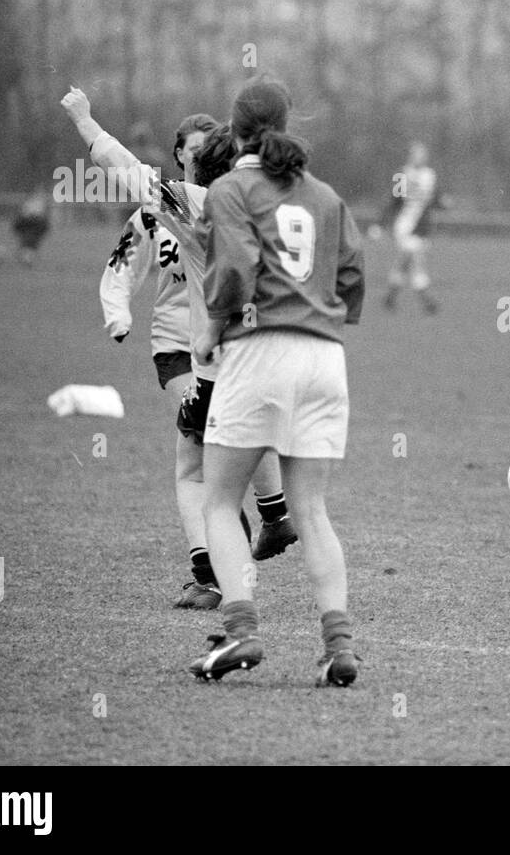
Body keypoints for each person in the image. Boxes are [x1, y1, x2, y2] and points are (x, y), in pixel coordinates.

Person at [62, 89, 296, 612]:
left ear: (196, 164)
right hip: (273, 357)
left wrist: (85, 119)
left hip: (216, 360)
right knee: (240, 447)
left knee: (193, 471)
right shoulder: (268, 203)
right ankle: (276, 514)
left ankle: (209, 579)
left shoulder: (187, 204)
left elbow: (122, 166)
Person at [190, 76, 365, 686]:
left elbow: (236, 266)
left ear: (232, 130)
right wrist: (321, 315)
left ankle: (240, 635)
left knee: (217, 500)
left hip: (259, 351)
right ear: (287, 125)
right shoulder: (324, 195)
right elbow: (353, 276)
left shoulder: (231, 187)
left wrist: (213, 327)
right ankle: (338, 647)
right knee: (311, 507)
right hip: (325, 358)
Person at [383, 142, 441, 314]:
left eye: (423, 154)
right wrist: (382, 223)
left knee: (403, 262)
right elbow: (394, 201)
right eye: (417, 154)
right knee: (417, 260)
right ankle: (428, 301)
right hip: (405, 225)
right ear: (411, 155)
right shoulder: (402, 175)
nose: (420, 157)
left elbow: (435, 199)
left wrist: (443, 202)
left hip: (422, 227)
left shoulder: (430, 175)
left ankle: (390, 297)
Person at [12, 189, 51, 265]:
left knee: (31, 241)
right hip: (28, 222)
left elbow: (42, 216)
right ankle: (26, 255)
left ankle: (27, 255)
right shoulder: (28, 202)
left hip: (36, 223)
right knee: (28, 241)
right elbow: (22, 215)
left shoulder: (40, 202)